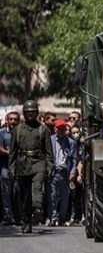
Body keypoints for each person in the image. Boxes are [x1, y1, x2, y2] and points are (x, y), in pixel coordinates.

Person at [9, 100, 52, 234]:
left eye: (33, 112)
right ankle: (26, 221)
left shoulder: (43, 129)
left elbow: (48, 151)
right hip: (22, 164)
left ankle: (36, 210)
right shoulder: (18, 129)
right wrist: (12, 168)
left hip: (38, 162)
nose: (30, 115)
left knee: (37, 191)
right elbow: (13, 151)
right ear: (24, 113)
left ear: (37, 113)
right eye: (28, 112)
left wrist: (49, 167)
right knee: (25, 196)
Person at [48, 119, 77, 227]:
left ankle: (62, 218)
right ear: (55, 129)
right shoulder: (50, 140)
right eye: (59, 128)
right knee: (52, 196)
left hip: (65, 172)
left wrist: (73, 172)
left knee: (65, 197)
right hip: (53, 172)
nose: (62, 130)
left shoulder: (71, 143)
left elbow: (74, 159)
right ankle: (53, 218)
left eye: (63, 128)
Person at [0, 112, 19, 226]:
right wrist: (11, 153)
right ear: (7, 120)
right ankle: (8, 217)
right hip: (5, 167)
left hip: (20, 168)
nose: (13, 121)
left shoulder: (22, 133)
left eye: (15, 119)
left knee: (18, 193)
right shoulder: (1, 133)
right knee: (6, 194)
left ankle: (19, 217)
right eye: (11, 119)